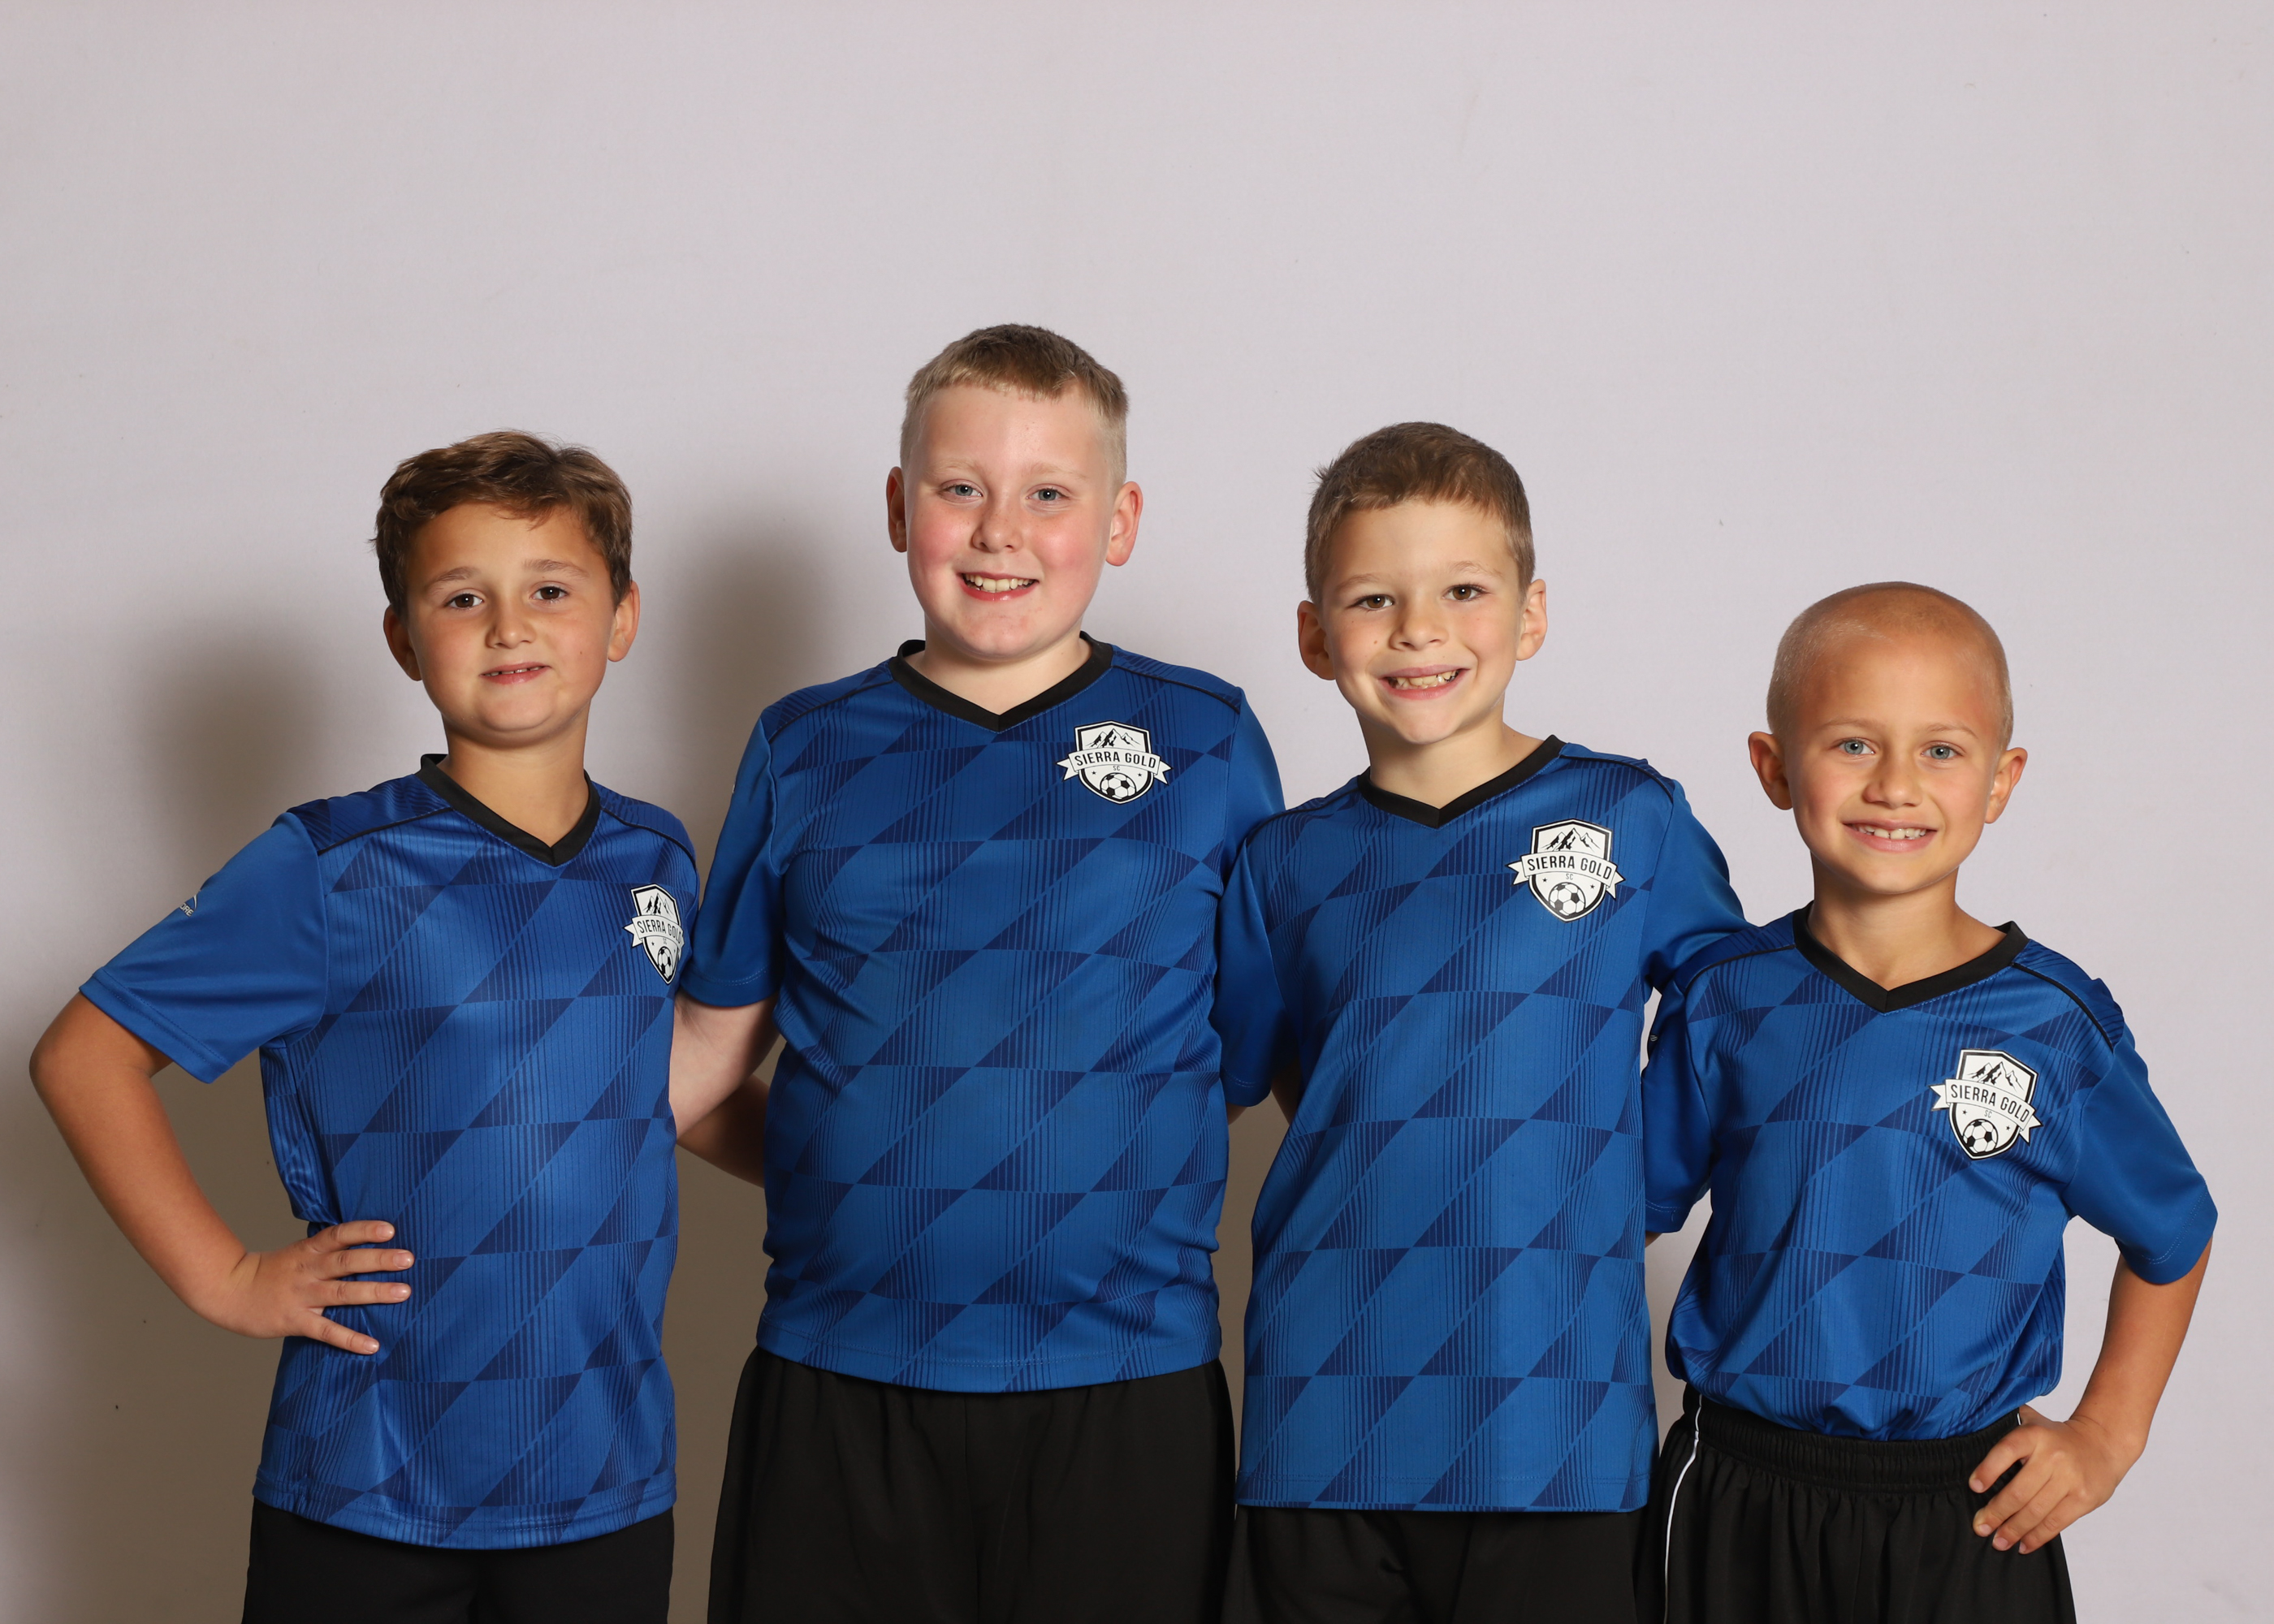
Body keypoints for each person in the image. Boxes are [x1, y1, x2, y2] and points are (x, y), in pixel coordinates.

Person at [30, 432, 734, 1623]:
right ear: (405, 638)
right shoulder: (333, 868)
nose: (508, 627)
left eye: (550, 590)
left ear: (621, 617)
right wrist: (228, 1275)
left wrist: (851, 1158)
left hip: (605, 1472)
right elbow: (84, 1054)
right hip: (371, 1478)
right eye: (462, 598)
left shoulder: (656, 856)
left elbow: (656, 1088)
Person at [676, 324, 1284, 1623]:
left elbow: (1232, 1057)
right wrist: (868, 1149)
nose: (1000, 531)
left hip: (1125, 1379)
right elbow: (697, 1075)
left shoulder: (1206, 739)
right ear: (901, 508)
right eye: (961, 488)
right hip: (843, 1375)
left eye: (1048, 493)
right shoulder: (804, 746)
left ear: (1119, 521)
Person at [1211, 422, 1746, 1623]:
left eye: (1463, 590)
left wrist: (1622, 1183)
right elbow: (1261, 1071)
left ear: (1531, 612)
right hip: (1323, 1407)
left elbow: (1741, 1024)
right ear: (1314, 635)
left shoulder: (1631, 817)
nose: (1420, 629)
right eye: (1373, 598)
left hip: (1552, 1411)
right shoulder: (1282, 862)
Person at [1642, 582, 2216, 1624]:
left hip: (1969, 1508)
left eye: (1941, 750)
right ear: (1774, 766)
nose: (1895, 784)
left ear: (2001, 781)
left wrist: (2106, 1434)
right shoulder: (1724, 996)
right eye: (1852, 743)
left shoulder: (2053, 1025)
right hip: (1737, 1489)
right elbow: (1614, 1215)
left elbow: (2172, 1230)